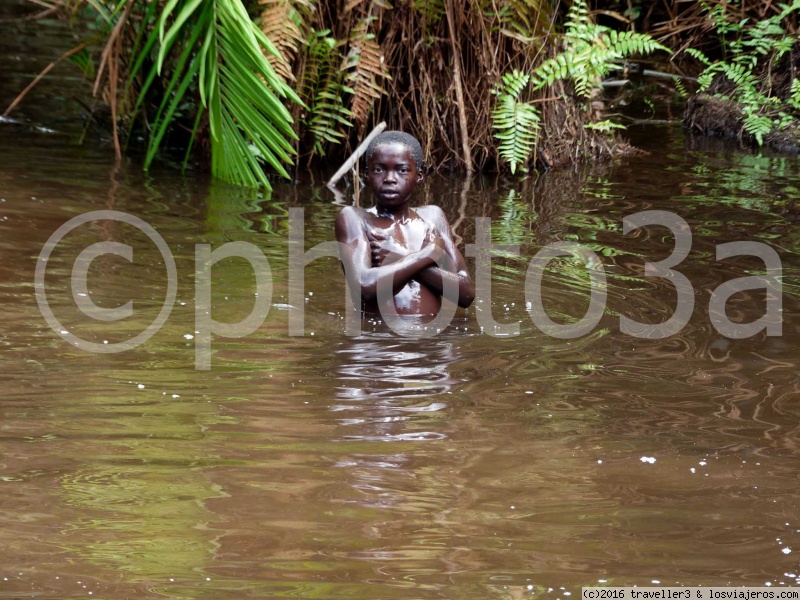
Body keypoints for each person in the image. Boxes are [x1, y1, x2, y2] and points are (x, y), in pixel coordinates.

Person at [335, 131, 474, 318]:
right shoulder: (355, 218)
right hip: (379, 341)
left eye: (402, 170)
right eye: (379, 169)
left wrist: (400, 255)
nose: (390, 178)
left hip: (432, 339)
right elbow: (363, 285)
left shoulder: (432, 217)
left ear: (419, 175)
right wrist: (428, 255)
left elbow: (466, 293)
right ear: (367, 174)